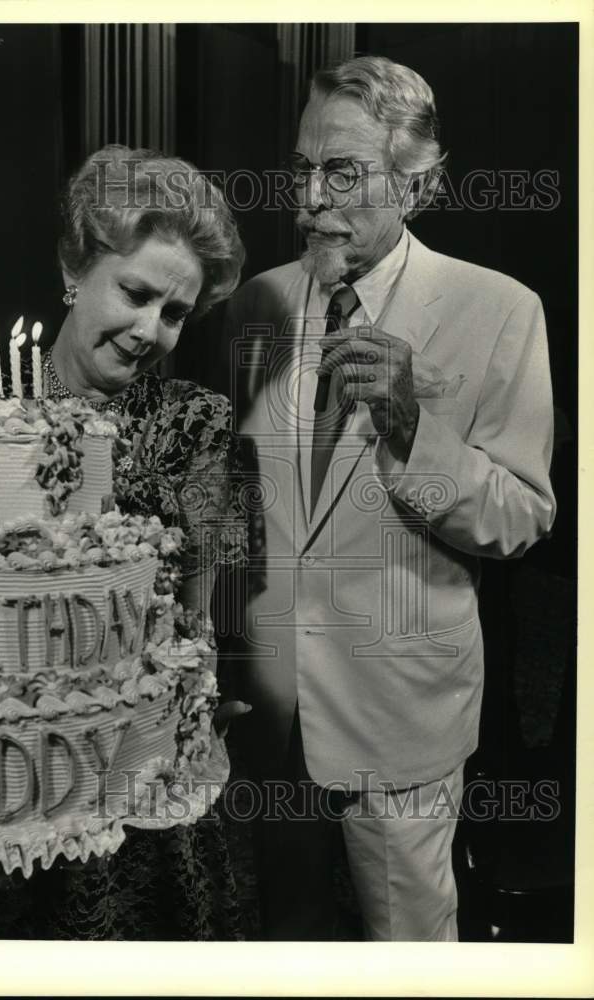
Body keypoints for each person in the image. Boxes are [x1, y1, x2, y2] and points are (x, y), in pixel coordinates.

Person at [0, 144, 255, 940]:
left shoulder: (197, 424)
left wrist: (191, 707)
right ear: (76, 271)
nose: (150, 329)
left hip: (129, 789)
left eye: (175, 312)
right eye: (137, 293)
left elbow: (195, 618)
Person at [225, 56, 556, 941]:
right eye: (302, 168)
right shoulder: (254, 303)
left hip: (400, 710)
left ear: (416, 184)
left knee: (409, 951)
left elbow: (521, 517)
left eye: (340, 172)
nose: (308, 197)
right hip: (266, 706)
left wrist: (412, 429)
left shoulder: (499, 309)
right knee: (286, 941)